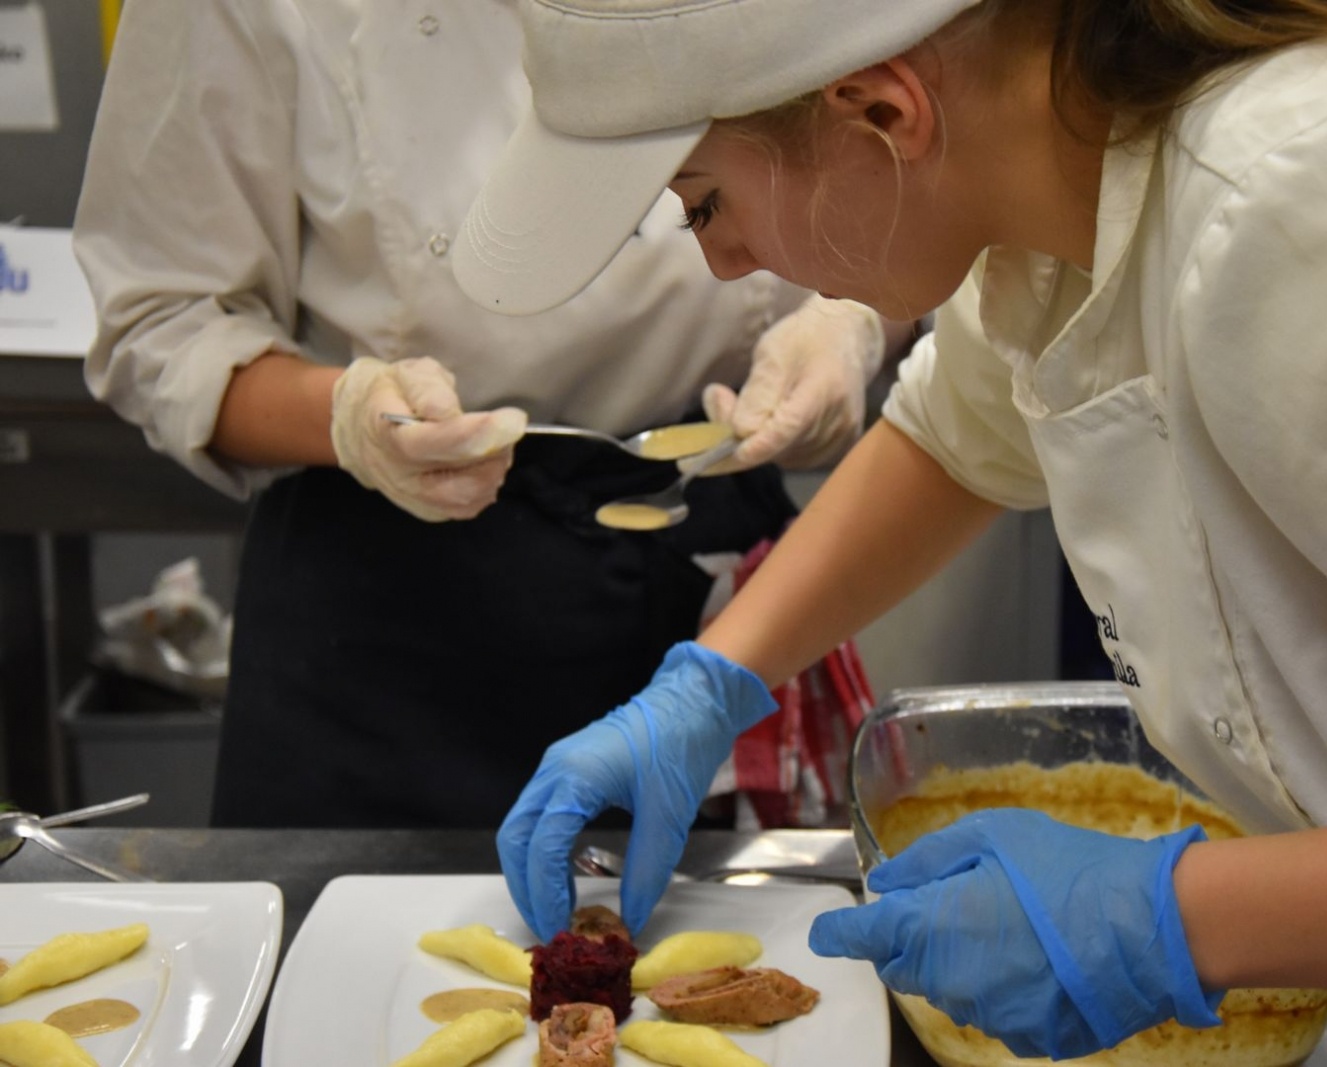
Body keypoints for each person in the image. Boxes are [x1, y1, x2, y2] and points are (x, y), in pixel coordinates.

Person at [463, 0, 1327, 1060]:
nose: (722, 260)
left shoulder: (1316, 200)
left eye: (707, 202)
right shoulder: (1058, 209)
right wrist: (711, 682)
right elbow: (955, 438)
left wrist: (1170, 921)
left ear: (883, 112)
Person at [71, 0, 913, 829]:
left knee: (726, 959)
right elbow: (163, 322)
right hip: (390, 605)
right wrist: (352, 417)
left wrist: (854, 318)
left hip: (709, 551)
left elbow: (924, 175)